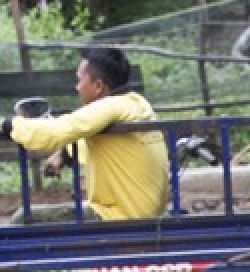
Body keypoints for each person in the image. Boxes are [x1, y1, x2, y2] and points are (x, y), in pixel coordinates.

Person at [0, 47, 168, 224]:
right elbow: (104, 142)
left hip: (119, 217)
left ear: (98, 86)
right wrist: (64, 155)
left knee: (22, 218)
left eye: (79, 80)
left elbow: (56, 131)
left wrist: (6, 125)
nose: (76, 87)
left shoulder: (110, 107)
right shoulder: (137, 105)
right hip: (143, 213)